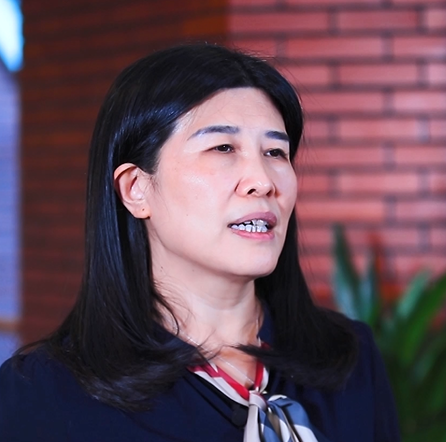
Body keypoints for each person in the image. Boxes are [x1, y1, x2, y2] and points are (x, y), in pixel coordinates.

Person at [0, 43, 400, 442]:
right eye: (223, 148)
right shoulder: (43, 393)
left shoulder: (348, 356)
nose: (263, 181)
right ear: (136, 188)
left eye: (275, 152)